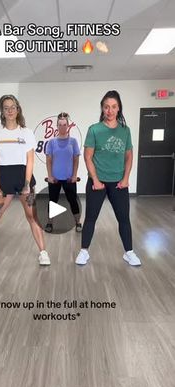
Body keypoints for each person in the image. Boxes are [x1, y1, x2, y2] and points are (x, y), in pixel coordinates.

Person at [0, 94, 50, 267]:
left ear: (18, 109)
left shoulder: (27, 132)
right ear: (2, 111)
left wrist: (26, 184)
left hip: (23, 177)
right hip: (4, 178)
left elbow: (30, 160)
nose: (10, 110)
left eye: (13, 107)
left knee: (32, 216)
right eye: (6, 107)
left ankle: (43, 252)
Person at [75, 90, 141, 266]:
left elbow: (129, 156)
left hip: (119, 183)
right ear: (102, 109)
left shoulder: (125, 131)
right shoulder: (94, 130)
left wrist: (126, 178)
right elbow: (88, 157)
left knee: (124, 219)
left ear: (119, 108)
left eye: (113, 107)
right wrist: (95, 180)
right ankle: (84, 252)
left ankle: (129, 252)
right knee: (90, 218)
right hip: (98, 182)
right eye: (106, 107)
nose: (110, 110)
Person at [45, 112, 82, 233]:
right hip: (55, 178)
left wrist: (74, 175)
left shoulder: (73, 141)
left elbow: (76, 159)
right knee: (52, 201)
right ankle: (50, 223)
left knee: (73, 201)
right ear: (57, 125)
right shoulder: (52, 142)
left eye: (64, 124)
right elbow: (49, 160)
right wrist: (50, 176)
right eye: (60, 124)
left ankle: (77, 223)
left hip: (69, 178)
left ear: (68, 125)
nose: (62, 127)